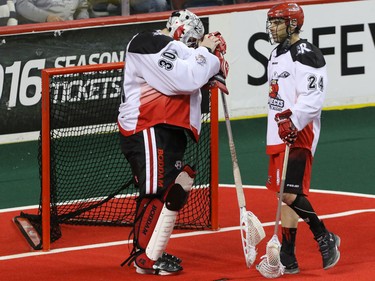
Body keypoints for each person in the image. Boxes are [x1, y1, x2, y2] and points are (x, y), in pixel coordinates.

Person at [118, 9, 225, 275]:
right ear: (181, 27)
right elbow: (186, 79)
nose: (192, 44)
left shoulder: (177, 49)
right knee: (157, 191)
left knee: (171, 189)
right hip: (148, 125)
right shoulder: (149, 41)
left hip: (167, 127)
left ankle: (153, 251)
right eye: (192, 39)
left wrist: (212, 59)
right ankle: (146, 258)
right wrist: (207, 53)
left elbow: (199, 69)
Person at [264, 2, 340, 274]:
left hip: (299, 130)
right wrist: (280, 125)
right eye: (270, 22)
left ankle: (324, 235)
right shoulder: (276, 53)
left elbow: (313, 98)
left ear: (293, 24)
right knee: (283, 195)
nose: (272, 27)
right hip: (278, 130)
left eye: (277, 22)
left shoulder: (306, 54)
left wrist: (292, 121)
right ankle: (288, 256)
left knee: (289, 193)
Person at [15, 0, 89, 23]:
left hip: (70, 36)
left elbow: (82, 7)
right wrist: (46, 17)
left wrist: (82, 20)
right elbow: (22, 5)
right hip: (39, 37)